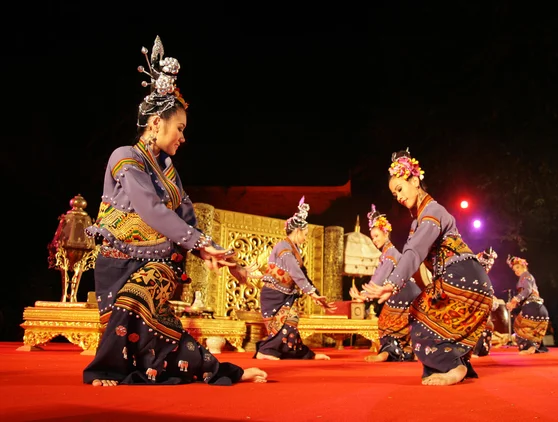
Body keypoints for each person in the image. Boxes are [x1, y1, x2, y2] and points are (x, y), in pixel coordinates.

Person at [82, 36, 267, 386]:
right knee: (158, 335)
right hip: (120, 260)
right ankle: (106, 370)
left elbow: (187, 220)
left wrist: (224, 258)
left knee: (154, 315)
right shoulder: (125, 157)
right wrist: (198, 243)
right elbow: (150, 209)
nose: (183, 137)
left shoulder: (169, 172)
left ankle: (222, 371)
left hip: (159, 263)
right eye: (179, 128)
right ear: (155, 124)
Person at [362, 149, 494, 386]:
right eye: (394, 194)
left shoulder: (432, 211)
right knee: (422, 313)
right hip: (465, 279)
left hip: (462, 277)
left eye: (400, 189)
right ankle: (458, 363)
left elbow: (414, 253)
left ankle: (454, 366)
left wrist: (391, 284)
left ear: (415, 180)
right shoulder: (419, 220)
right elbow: (418, 267)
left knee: (419, 323)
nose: (398, 197)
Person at [254, 196, 337, 361]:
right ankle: (265, 350)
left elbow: (303, 274)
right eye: (305, 234)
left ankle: (305, 354)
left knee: (290, 323)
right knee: (288, 323)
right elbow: (295, 272)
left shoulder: (295, 250)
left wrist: (317, 296)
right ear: (297, 231)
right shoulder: (283, 247)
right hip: (273, 295)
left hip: (284, 295)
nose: (305, 238)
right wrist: (312, 294)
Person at [349, 204, 421, 362]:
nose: (374, 240)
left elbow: (379, 279)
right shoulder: (387, 253)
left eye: (376, 236)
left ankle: (388, 352)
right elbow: (378, 276)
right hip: (404, 293)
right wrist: (363, 295)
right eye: (372, 237)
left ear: (385, 232)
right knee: (398, 326)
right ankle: (407, 352)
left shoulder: (391, 254)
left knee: (386, 321)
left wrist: (364, 296)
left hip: (404, 293)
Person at [505, 255, 550, 354]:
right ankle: (536, 346)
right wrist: (514, 304)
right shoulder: (528, 277)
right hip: (542, 310)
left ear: (523, 266)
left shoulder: (525, 276)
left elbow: (527, 290)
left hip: (532, 308)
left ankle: (528, 347)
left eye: (517, 267)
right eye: (514, 270)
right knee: (533, 329)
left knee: (517, 325)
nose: (516, 271)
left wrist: (515, 299)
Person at [472, 247, 500, 358]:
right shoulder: (480, 278)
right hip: (472, 312)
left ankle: (478, 350)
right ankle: (475, 350)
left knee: (487, 323)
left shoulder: (478, 277)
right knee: (483, 322)